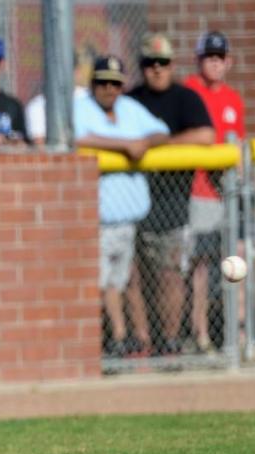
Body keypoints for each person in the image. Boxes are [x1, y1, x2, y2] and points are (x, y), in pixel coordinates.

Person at [73, 56, 170, 357]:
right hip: (98, 219)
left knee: (123, 282)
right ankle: (110, 339)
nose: (109, 89)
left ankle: (129, 339)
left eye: (115, 83)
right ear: (93, 84)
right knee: (102, 284)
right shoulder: (82, 108)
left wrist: (142, 142)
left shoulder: (129, 109)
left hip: (130, 221)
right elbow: (79, 137)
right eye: (103, 82)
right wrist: (125, 145)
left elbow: (162, 132)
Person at [128, 33, 215, 356]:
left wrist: (161, 145)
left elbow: (206, 135)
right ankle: (140, 339)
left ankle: (170, 339)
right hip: (134, 200)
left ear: (172, 65)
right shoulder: (131, 99)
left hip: (173, 200)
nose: (156, 69)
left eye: (162, 63)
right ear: (141, 66)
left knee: (171, 275)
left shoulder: (186, 98)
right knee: (133, 275)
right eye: (150, 63)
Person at [183, 31, 247, 355]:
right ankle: (201, 333)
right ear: (198, 61)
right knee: (201, 266)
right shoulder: (190, 91)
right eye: (209, 57)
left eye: (220, 57)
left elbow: (238, 147)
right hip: (200, 192)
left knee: (237, 260)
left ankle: (238, 334)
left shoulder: (234, 99)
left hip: (229, 195)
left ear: (228, 62)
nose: (215, 63)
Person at [26, 48, 93, 147]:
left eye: (66, 69)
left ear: (77, 71)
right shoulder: (37, 106)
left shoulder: (90, 98)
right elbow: (40, 145)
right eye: (56, 69)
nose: (60, 75)